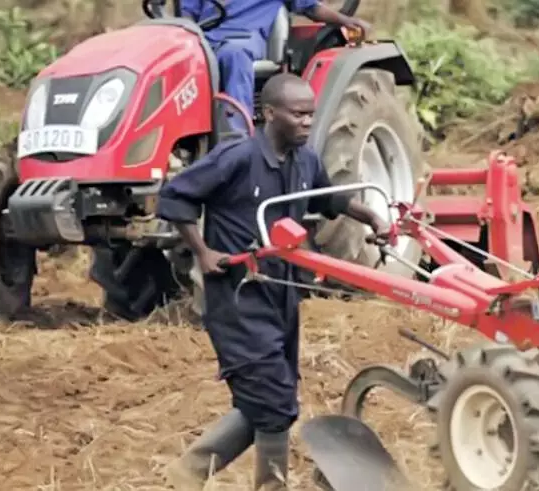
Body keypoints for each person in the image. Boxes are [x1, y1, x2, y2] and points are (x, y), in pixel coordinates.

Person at [158, 73, 389, 490]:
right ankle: (268, 484)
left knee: (269, 401)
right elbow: (175, 197)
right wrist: (202, 250)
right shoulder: (237, 158)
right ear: (269, 114)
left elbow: (325, 196)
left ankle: (189, 471)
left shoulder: (307, 160)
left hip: (282, 294)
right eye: (298, 114)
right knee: (276, 399)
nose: (307, 122)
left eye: (311, 115)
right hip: (238, 297)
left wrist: (368, 214)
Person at [180, 0, 372, 129]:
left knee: (234, 55)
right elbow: (186, 13)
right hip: (204, 38)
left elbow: (311, 7)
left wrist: (346, 21)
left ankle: (236, 138)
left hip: (244, 37)